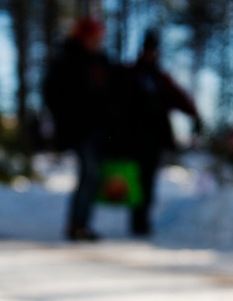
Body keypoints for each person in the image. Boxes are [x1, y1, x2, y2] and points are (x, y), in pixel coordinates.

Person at [120, 31, 201, 236]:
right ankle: (137, 218)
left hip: (155, 138)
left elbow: (180, 97)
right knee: (137, 178)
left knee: (148, 179)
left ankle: (143, 218)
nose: (152, 54)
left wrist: (195, 116)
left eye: (154, 50)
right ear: (143, 51)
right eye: (149, 50)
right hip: (133, 136)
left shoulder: (160, 78)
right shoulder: (131, 74)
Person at [43, 17, 114, 242]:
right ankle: (77, 222)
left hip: (98, 127)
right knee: (89, 171)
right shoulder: (68, 59)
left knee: (93, 175)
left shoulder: (101, 60)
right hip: (79, 127)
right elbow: (53, 92)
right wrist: (66, 117)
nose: (97, 40)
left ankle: (82, 222)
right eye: (94, 36)